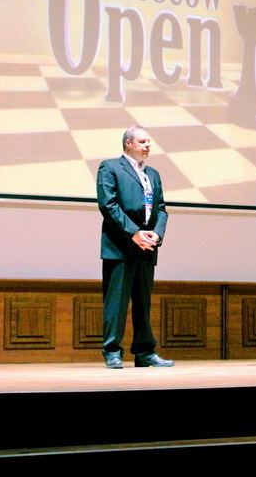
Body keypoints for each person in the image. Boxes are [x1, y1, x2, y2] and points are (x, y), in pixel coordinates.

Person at [97, 125, 173, 369]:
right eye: (142, 141)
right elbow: (108, 205)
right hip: (120, 247)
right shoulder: (110, 167)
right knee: (116, 303)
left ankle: (144, 352)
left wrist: (156, 235)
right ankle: (112, 352)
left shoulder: (153, 174)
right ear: (128, 143)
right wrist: (134, 233)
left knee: (143, 303)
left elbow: (161, 208)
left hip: (147, 247)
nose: (147, 145)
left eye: (148, 141)